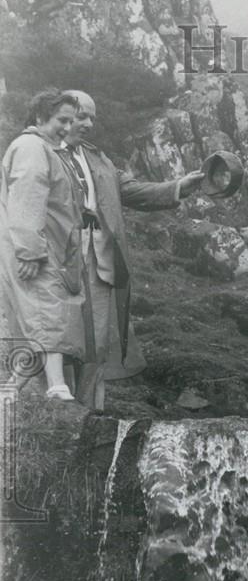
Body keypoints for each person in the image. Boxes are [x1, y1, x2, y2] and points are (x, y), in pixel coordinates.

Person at [60, 90, 204, 410]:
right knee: (60, 335)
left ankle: (90, 411)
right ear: (62, 113)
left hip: (99, 258)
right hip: (59, 260)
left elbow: (130, 189)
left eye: (92, 117)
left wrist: (178, 186)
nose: (88, 123)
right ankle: (57, 409)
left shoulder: (98, 157)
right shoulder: (39, 152)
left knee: (96, 340)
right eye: (81, 115)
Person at [0, 89, 86, 400]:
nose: (66, 127)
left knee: (41, 321)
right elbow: (27, 199)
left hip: (50, 248)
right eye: (61, 120)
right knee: (47, 314)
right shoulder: (31, 147)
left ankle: (10, 390)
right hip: (36, 249)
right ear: (39, 118)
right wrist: (29, 252)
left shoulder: (48, 150)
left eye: (70, 121)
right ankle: (56, 387)